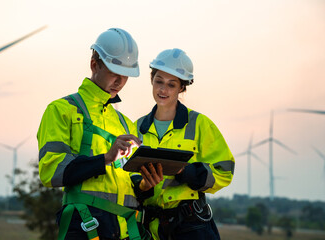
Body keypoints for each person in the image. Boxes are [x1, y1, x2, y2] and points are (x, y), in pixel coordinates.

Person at [37, 28, 162, 240]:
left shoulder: (125, 124)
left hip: (127, 230)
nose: (120, 82)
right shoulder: (61, 110)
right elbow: (51, 171)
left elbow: (130, 184)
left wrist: (145, 186)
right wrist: (105, 158)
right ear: (94, 65)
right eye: (115, 73)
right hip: (86, 227)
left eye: (126, 76)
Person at [136, 48, 235, 240]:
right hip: (149, 228)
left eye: (171, 85)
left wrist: (186, 172)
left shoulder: (200, 125)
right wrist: (143, 186)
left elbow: (225, 171)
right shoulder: (136, 127)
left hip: (191, 227)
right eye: (159, 81)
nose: (163, 90)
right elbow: (125, 177)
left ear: (182, 87)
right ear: (151, 79)